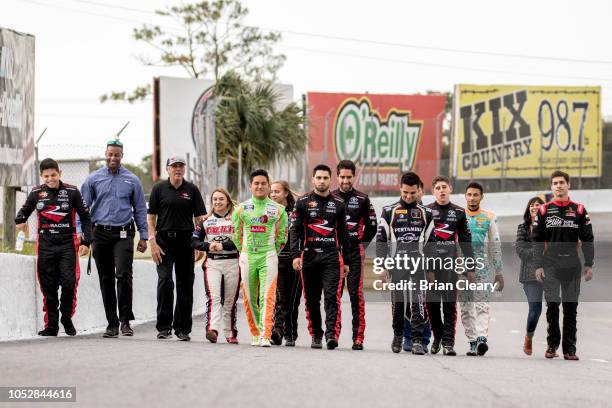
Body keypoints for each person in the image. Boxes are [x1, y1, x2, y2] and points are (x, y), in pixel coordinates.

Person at [15, 158, 93, 336]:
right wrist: (20, 221)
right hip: (45, 245)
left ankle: (66, 317)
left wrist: (86, 242)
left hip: (67, 244)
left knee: (69, 282)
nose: (50, 179)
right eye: (46, 176)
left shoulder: (72, 191)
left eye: (54, 175)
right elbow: (23, 212)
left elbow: (86, 217)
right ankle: (52, 325)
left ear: (60, 174)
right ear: (41, 176)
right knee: (48, 286)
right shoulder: (36, 193)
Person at [81, 140, 148, 338]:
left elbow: (140, 209)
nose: (112, 158)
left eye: (116, 155)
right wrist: (83, 235)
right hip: (100, 233)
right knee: (106, 278)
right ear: (105, 153)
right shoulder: (93, 179)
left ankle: (125, 321)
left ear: (121, 156)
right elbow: (84, 209)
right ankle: (111, 323)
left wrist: (144, 236)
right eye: (110, 154)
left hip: (124, 233)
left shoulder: (132, 180)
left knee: (124, 275)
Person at [533, 170, 594, 361]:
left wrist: (589, 264)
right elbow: (536, 240)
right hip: (550, 264)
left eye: (562, 182)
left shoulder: (580, 210)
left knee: (570, 308)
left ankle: (570, 349)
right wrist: (538, 265)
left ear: (569, 185)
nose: (558, 186)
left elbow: (587, 239)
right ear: (551, 187)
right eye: (555, 183)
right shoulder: (543, 210)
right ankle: (552, 345)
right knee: (552, 306)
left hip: (572, 265)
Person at [290, 164, 350, 350]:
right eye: (319, 178)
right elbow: (295, 230)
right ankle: (316, 334)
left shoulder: (339, 203)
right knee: (311, 299)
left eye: (325, 178)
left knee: (332, 297)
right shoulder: (302, 202)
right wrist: (295, 255)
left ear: (330, 179)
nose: (322, 181)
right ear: (313, 180)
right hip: (308, 257)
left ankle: (331, 334)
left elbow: (344, 234)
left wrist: (345, 260)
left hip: (332, 257)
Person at [147, 156, 207, 341]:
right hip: (163, 241)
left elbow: (200, 219)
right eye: (174, 166)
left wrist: (199, 242)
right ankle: (164, 327)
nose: (178, 169)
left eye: (181, 166)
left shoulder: (192, 190)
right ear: (168, 169)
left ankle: (182, 328)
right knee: (165, 281)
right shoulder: (158, 189)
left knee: (185, 284)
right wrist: (153, 241)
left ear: (184, 169)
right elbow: (151, 218)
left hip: (186, 241)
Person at [376, 172, 434, 355]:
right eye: (405, 193)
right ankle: (398, 336)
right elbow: (381, 240)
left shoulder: (427, 213)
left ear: (419, 191)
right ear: (400, 189)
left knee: (418, 302)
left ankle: (417, 340)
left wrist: (431, 269)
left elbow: (431, 243)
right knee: (398, 303)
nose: (409, 196)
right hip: (397, 263)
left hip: (419, 264)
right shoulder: (388, 211)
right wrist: (382, 265)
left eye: (412, 193)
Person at [232, 169, 288, 347]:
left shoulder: (279, 210)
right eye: (256, 183)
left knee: (268, 296)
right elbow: (236, 234)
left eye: (263, 183)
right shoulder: (241, 209)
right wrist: (244, 252)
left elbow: (282, 237)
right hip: (248, 256)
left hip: (269, 256)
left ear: (269, 186)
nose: (260, 186)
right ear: (250, 186)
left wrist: (272, 253)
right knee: (249, 297)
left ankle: (265, 335)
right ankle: (255, 333)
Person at [425, 176, 474, 356]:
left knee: (449, 305)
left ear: (450, 189)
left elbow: (466, 241)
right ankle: (437, 336)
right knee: (431, 305)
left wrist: (471, 268)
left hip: (450, 266)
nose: (441, 190)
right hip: (430, 267)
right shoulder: (426, 211)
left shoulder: (459, 212)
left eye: (444, 187)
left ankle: (448, 344)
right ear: (433, 191)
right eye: (438, 188)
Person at [332, 160, 377, 350]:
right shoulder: (330, 197)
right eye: (342, 177)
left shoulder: (363, 199)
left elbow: (372, 226)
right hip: (334, 252)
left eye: (349, 177)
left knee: (356, 296)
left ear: (354, 177)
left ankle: (358, 338)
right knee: (333, 295)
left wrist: (360, 243)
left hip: (355, 252)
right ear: (337, 176)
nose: (345, 180)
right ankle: (332, 334)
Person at [459, 182, 504, 356]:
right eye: (469, 194)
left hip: (482, 266)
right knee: (465, 307)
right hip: (460, 267)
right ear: (465, 196)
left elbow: (496, 245)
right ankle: (471, 341)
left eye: (475, 195)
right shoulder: (458, 215)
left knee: (482, 305)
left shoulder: (489, 217)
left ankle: (482, 339)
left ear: (481, 197)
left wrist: (499, 272)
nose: (472, 198)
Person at [191, 188, 239, 344]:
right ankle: (212, 329)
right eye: (215, 199)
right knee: (214, 298)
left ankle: (230, 332)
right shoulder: (205, 221)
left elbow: (241, 240)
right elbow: (194, 241)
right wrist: (208, 246)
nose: (218, 202)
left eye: (221, 199)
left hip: (233, 262)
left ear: (228, 201)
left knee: (230, 300)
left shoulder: (236, 219)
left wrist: (224, 244)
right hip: (212, 263)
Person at [402, 174, 432, 353]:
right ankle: (407, 336)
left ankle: (424, 338)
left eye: (417, 191)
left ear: (421, 191)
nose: (413, 194)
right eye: (408, 191)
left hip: (425, 266)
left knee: (422, 302)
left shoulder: (426, 213)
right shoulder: (398, 211)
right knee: (405, 302)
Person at [270, 180, 302, 347]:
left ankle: (291, 333)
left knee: (294, 300)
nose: (273, 194)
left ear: (286, 193)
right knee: (280, 298)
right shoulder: (268, 211)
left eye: (277, 191)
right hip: (276, 260)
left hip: (295, 260)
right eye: (272, 192)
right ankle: (277, 331)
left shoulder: (297, 210)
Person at [516, 196, 545, 356]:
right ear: (529, 209)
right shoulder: (523, 228)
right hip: (530, 275)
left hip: (551, 273)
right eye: (532, 205)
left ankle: (552, 345)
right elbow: (521, 251)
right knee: (535, 309)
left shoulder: (550, 227)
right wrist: (540, 253)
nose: (535, 207)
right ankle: (529, 336)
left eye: (538, 205)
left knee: (553, 310)